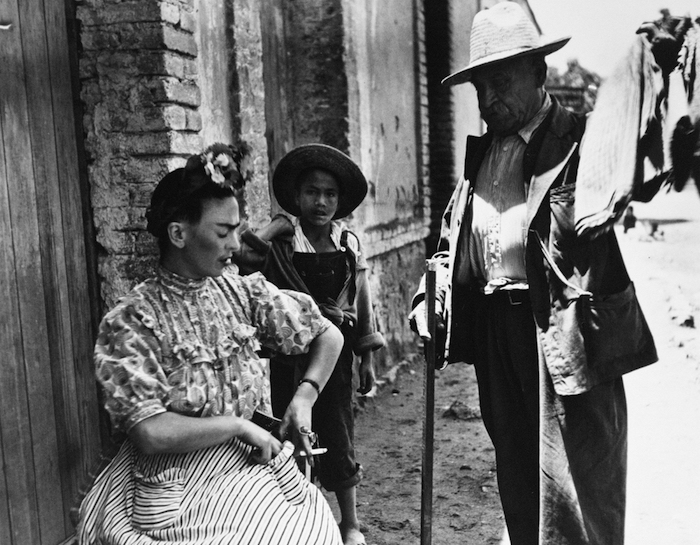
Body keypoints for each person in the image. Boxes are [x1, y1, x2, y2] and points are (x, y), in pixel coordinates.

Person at [409, 3, 657, 545]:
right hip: (499, 332)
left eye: (501, 82)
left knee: (577, 488)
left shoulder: (584, 140)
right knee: (518, 479)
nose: (489, 99)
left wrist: (650, 72)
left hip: (566, 332)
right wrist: (430, 295)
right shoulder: (483, 155)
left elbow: (647, 161)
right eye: (480, 88)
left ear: (539, 73)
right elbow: (456, 242)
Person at [76, 143, 345, 544]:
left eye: (237, 229)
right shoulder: (133, 320)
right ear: (179, 234)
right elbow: (150, 432)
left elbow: (328, 333)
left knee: (309, 529)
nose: (237, 244)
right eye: (224, 231)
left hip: (249, 465)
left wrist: (305, 396)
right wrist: (237, 425)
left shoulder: (241, 293)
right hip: (176, 485)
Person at [232, 143, 385, 545]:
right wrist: (273, 229)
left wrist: (367, 356)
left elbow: (362, 299)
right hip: (290, 353)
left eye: (330, 194)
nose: (321, 202)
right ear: (297, 198)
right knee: (291, 427)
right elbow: (243, 260)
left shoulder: (348, 242)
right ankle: (302, 518)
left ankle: (349, 523)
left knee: (337, 428)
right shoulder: (285, 241)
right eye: (312, 193)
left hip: (336, 352)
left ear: (340, 200)